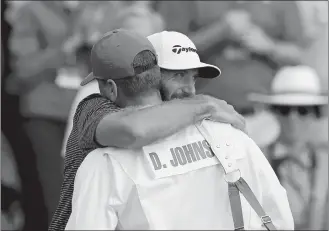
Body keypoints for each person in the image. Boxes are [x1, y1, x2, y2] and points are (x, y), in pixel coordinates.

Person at [66, 29, 293, 230]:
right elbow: (133, 129)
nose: (189, 91)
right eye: (178, 76)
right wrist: (206, 104)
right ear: (151, 76)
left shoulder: (228, 133)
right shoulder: (97, 115)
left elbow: (276, 213)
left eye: (192, 78)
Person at [156, 1, 308, 147]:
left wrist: (269, 46)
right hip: (202, 118)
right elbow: (169, 52)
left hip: (262, 118)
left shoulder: (284, 4)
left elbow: (299, 55)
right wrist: (220, 30)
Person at [248, 65, 328, 229]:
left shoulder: (325, 161)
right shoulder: (254, 161)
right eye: (285, 109)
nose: (293, 118)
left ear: (316, 114)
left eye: (303, 110)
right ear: (274, 112)